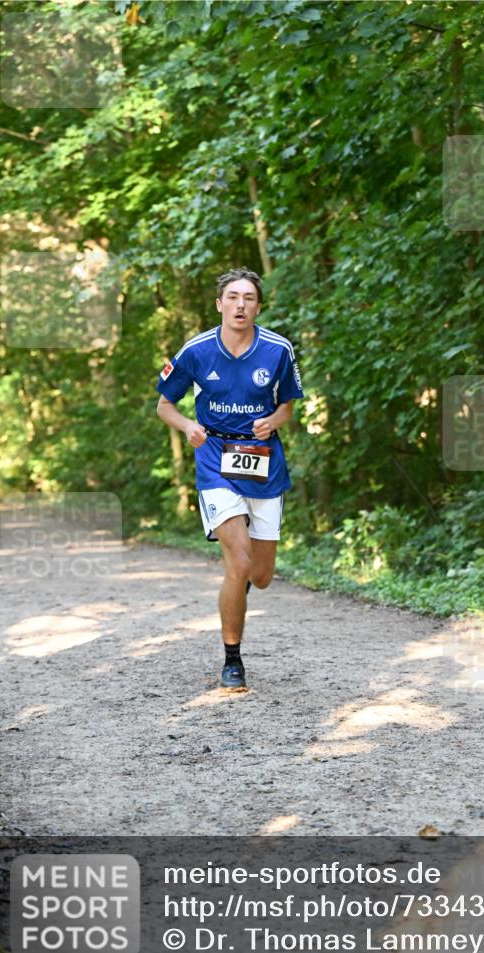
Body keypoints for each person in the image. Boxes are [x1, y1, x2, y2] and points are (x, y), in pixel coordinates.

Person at [155, 268, 304, 690]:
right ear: (220, 304)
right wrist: (187, 426)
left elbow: (288, 408)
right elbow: (165, 404)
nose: (241, 305)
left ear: (258, 305)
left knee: (260, 575)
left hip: (264, 462)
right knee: (237, 563)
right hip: (215, 458)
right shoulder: (198, 350)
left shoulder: (277, 349)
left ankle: (240, 590)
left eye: (249, 298)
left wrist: (272, 421)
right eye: (233, 297)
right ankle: (232, 660)